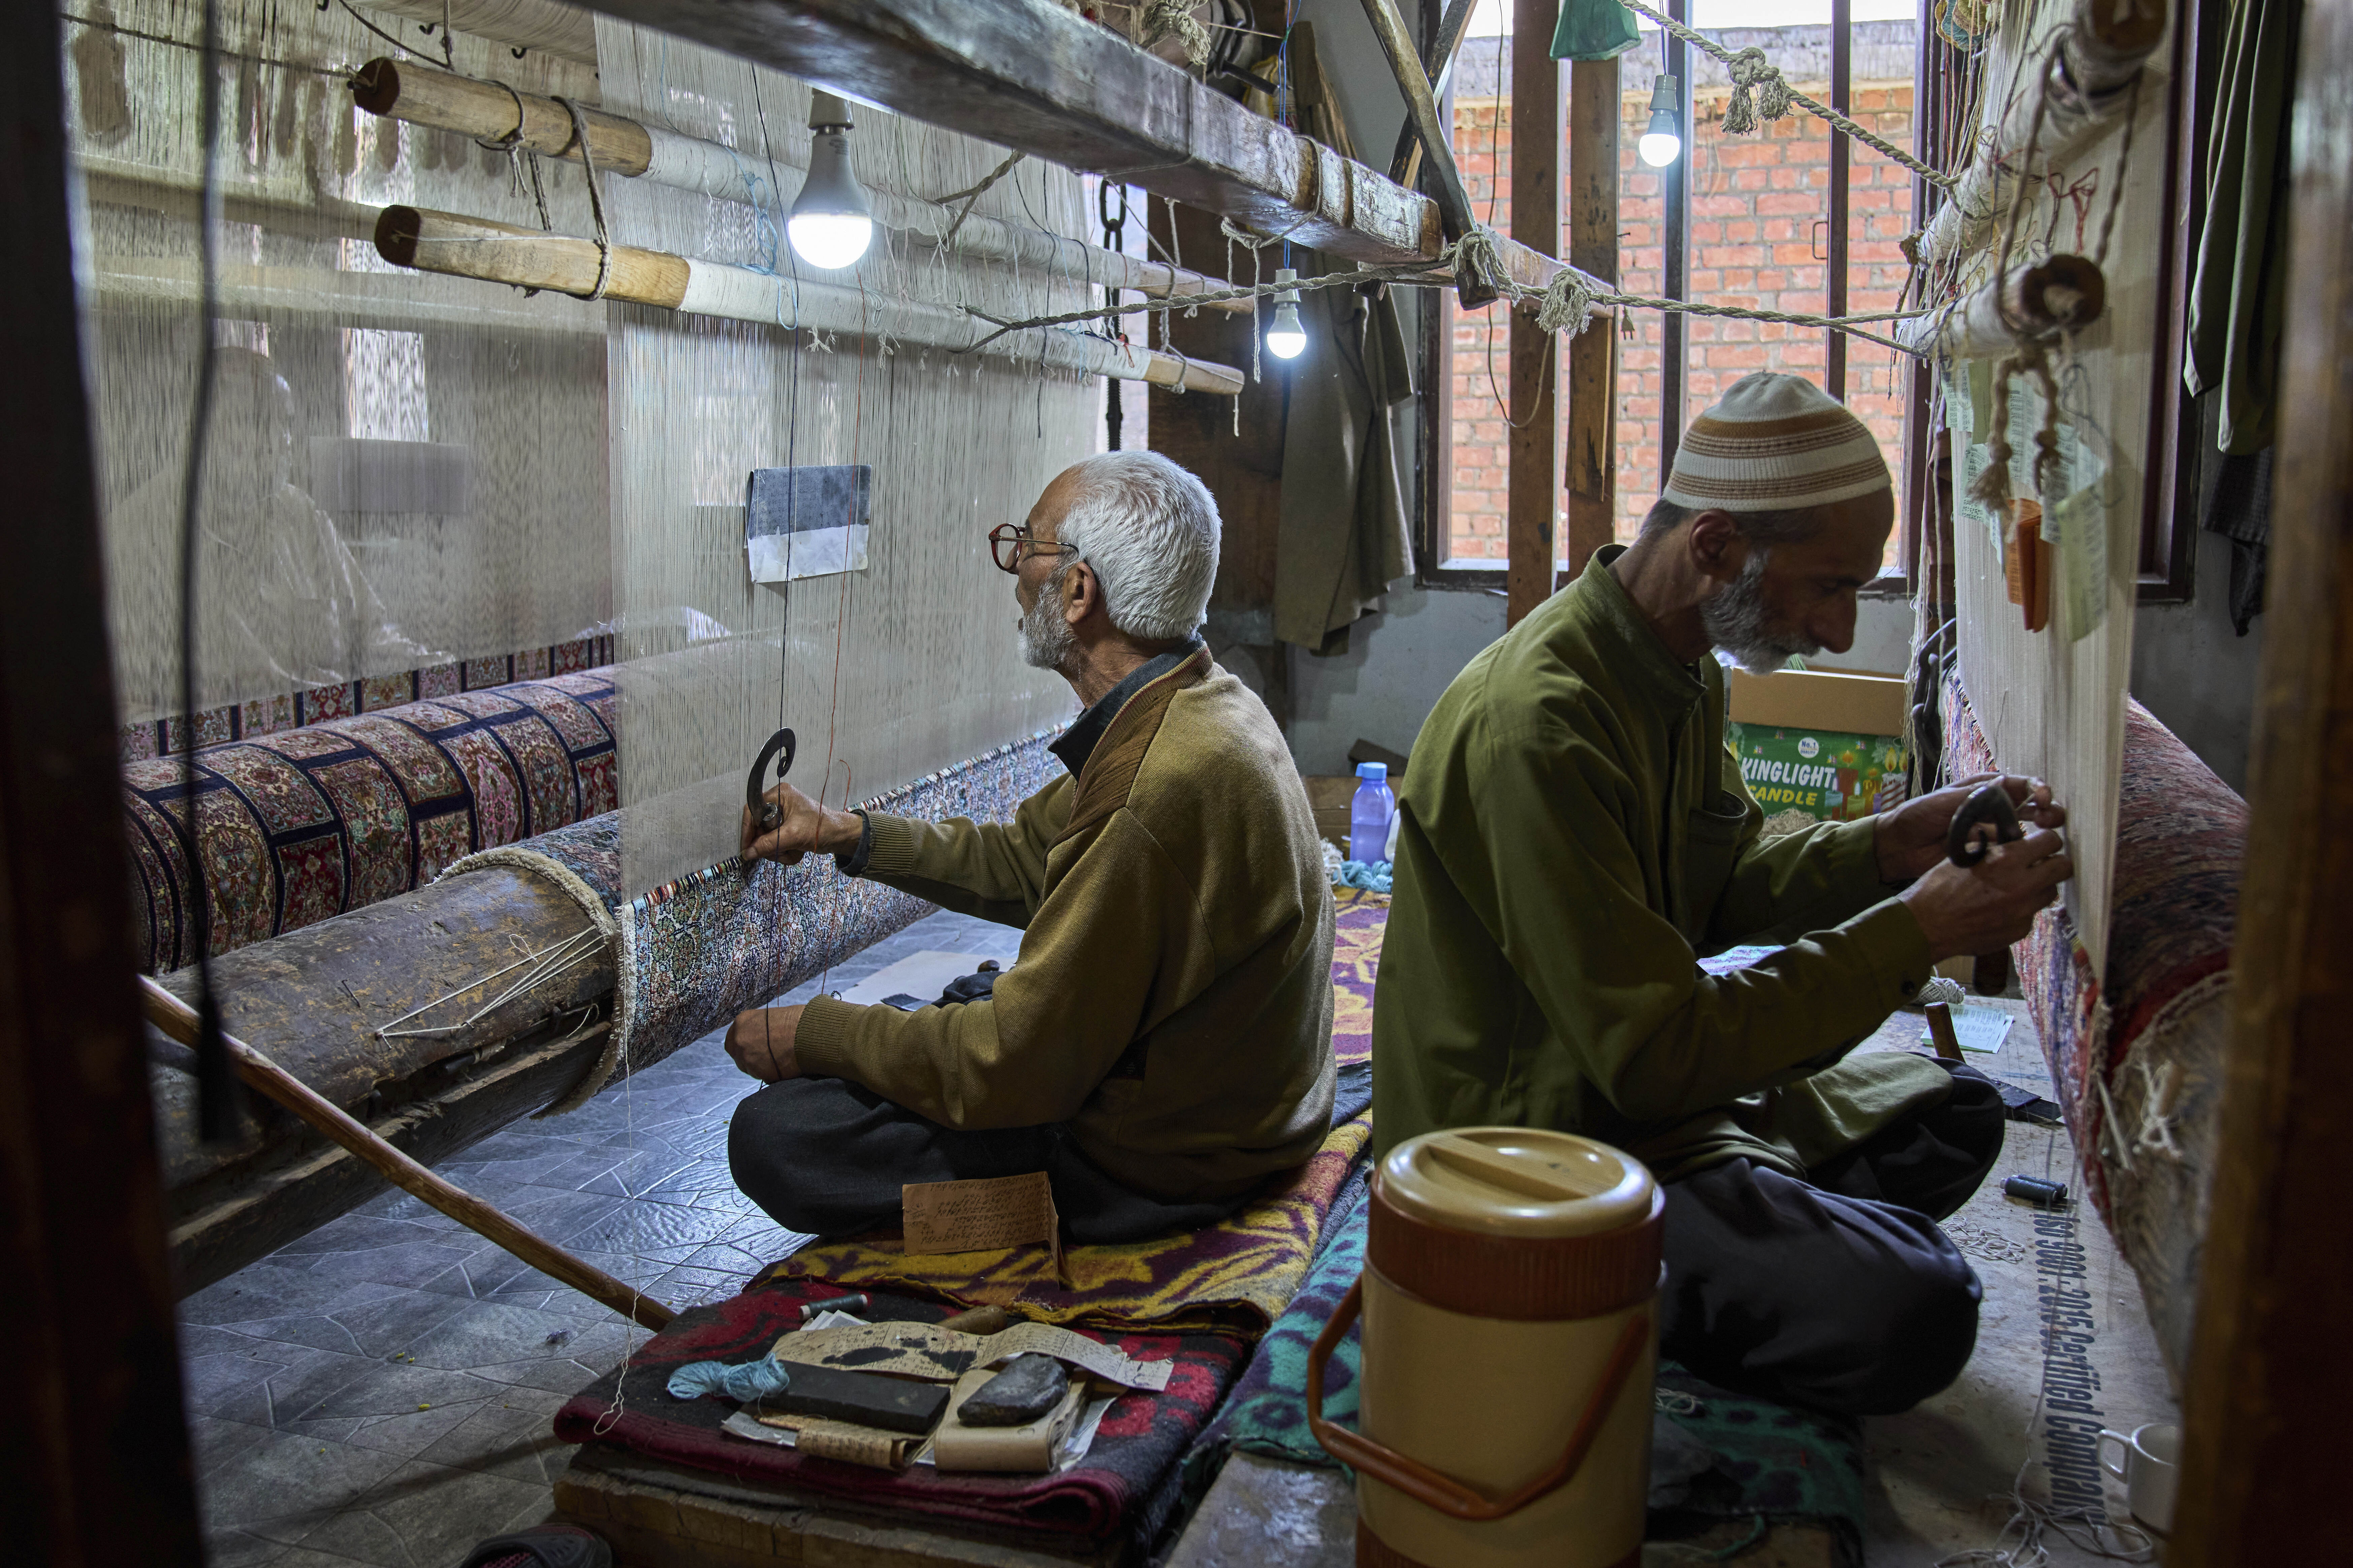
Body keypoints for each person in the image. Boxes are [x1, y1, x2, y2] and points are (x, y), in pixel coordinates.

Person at [1372, 372, 2072, 1416]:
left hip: (1640, 1092)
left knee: (1958, 1116)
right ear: (1713, 549)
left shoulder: (1681, 668)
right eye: (1829, 587)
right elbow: (1657, 1058)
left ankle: (1735, 1237)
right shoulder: (1538, 727)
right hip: (1532, 1143)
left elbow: (1723, 884)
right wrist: (1916, 929)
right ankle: (1628, 1280)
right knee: (1922, 1308)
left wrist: (1887, 846)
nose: (1837, 633)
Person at [725, 450, 1338, 1243]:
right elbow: (1022, 860)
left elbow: (1008, 1069)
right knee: (950, 1010)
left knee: (779, 1140)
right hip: (1242, 1100)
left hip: (1169, 1161)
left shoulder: (1150, 786)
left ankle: (1032, 1216)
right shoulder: (1195, 701)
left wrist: (818, 1033)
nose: (1014, 570)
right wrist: (846, 834)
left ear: (1079, 593)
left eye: (1028, 547)